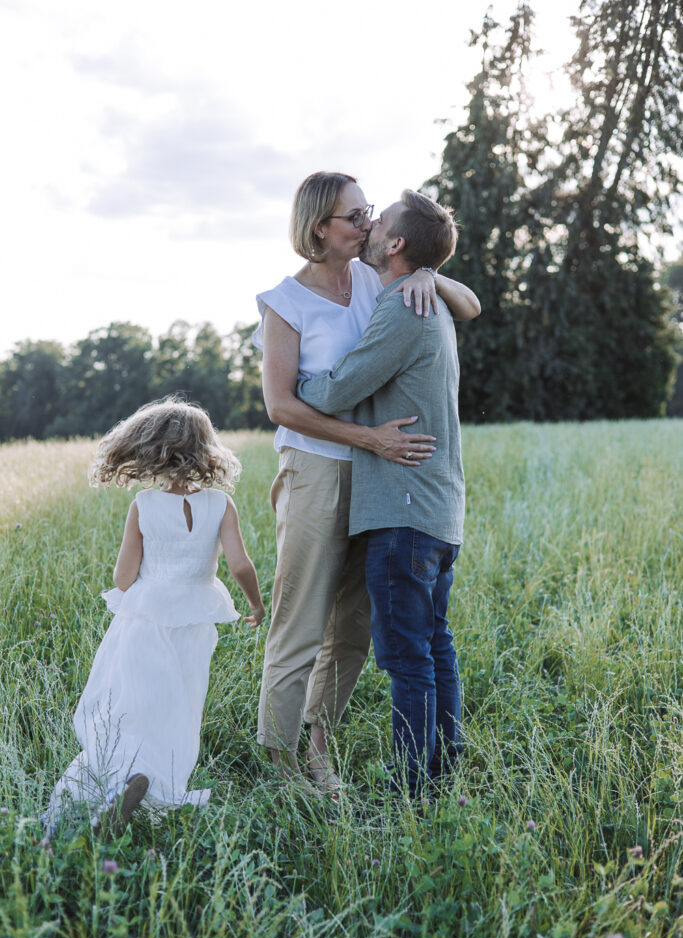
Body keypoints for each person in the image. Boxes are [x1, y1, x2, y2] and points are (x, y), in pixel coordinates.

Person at [254, 171, 479, 796]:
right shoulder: (285, 303)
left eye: (369, 214)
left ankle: (318, 746)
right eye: (354, 216)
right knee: (300, 622)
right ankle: (282, 761)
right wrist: (369, 439)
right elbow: (282, 406)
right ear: (318, 227)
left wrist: (430, 273)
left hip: (381, 483)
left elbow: (469, 302)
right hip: (318, 471)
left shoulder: (375, 283)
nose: (365, 224)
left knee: (351, 629)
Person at [43, 398, 265, 837]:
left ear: (152, 450)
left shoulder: (144, 504)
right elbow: (240, 565)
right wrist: (255, 605)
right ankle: (149, 787)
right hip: (195, 626)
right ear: (206, 450)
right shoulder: (221, 505)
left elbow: (123, 578)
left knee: (124, 710)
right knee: (175, 710)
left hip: (144, 622)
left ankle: (75, 808)